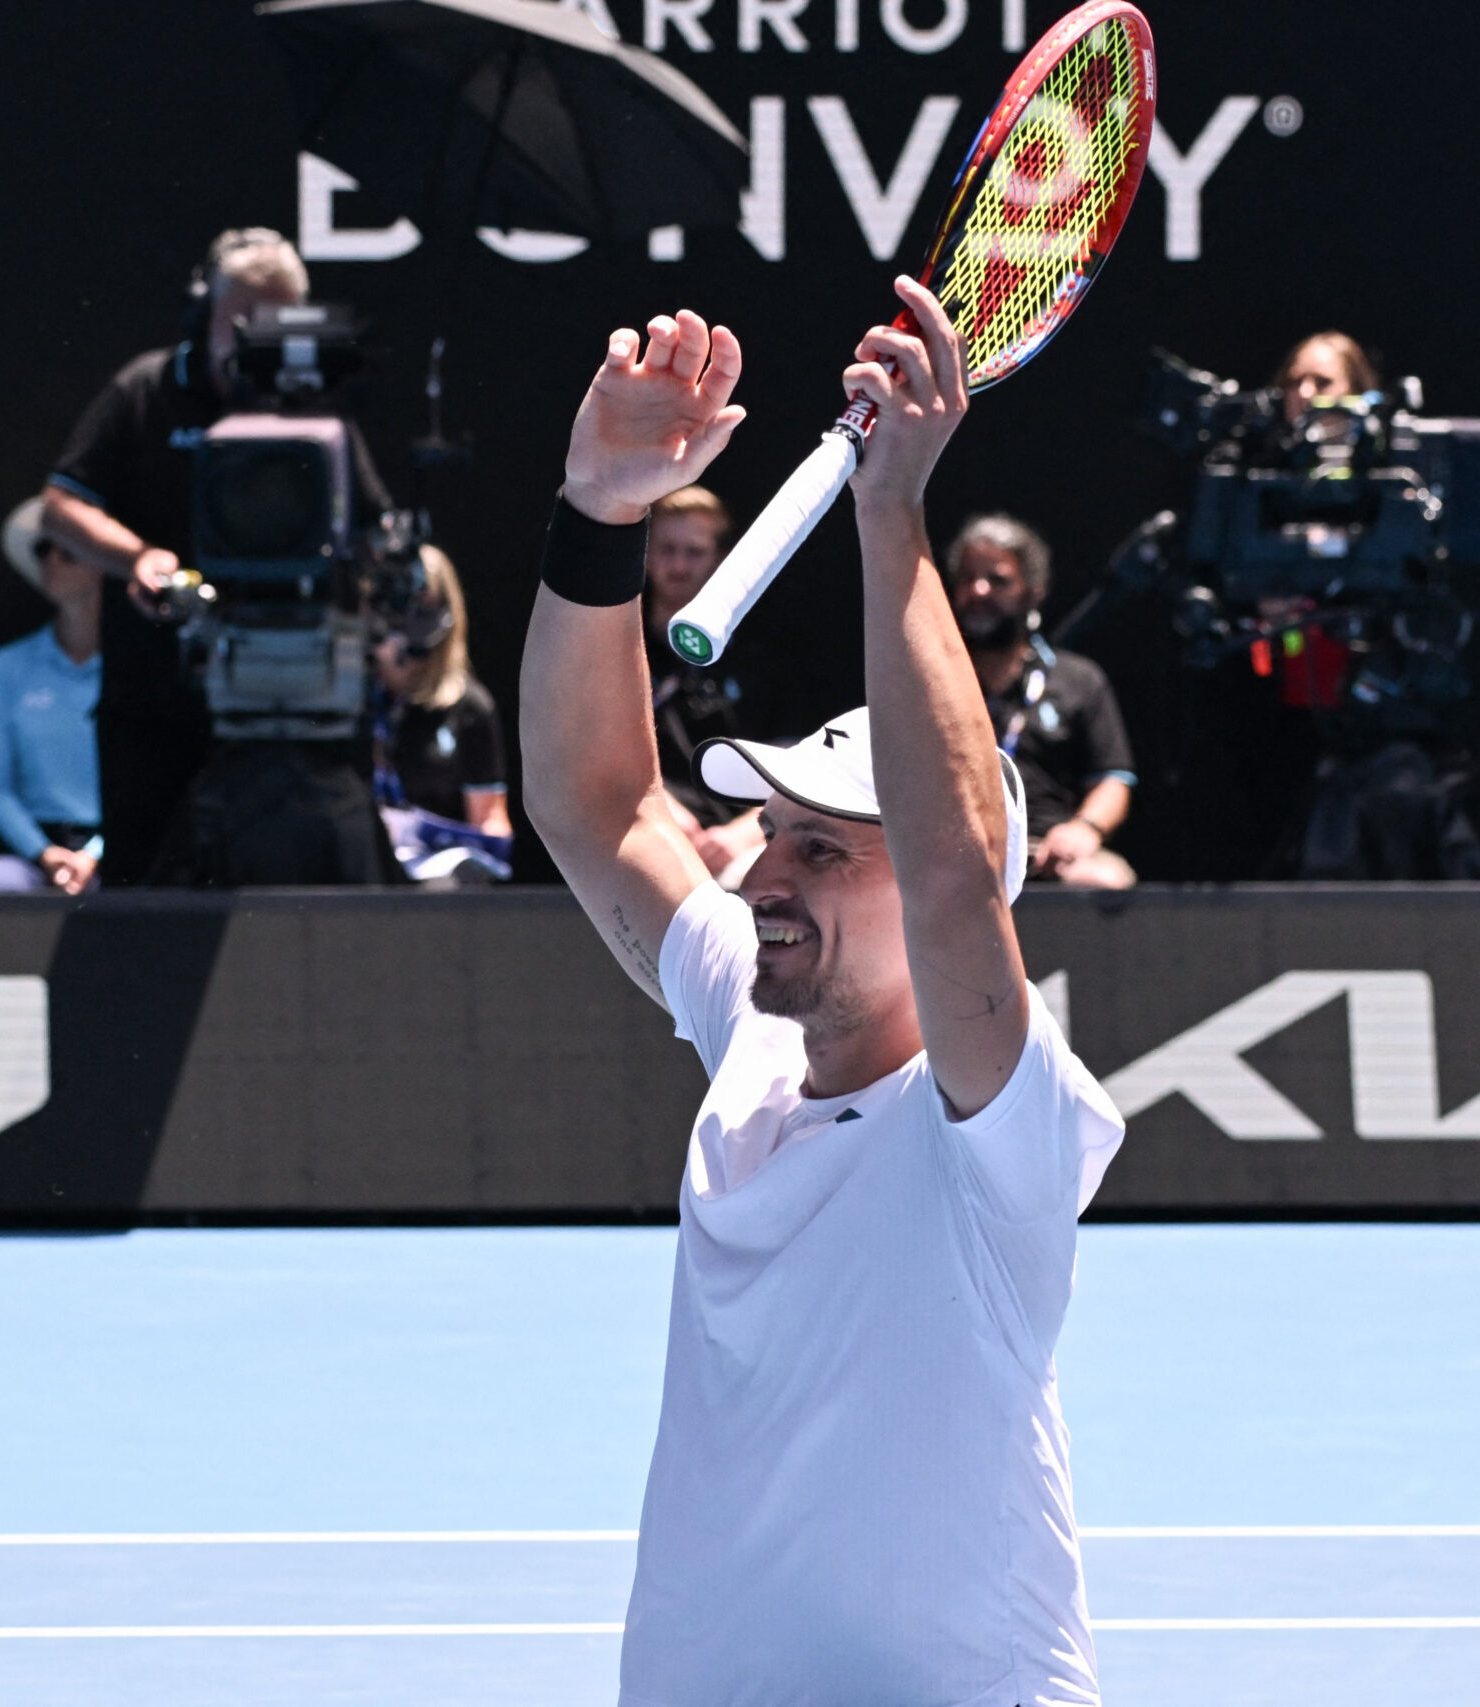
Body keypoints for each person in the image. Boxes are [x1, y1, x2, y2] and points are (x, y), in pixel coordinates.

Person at [520, 288, 1124, 1705]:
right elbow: (595, 802)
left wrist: (890, 508)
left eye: (823, 845)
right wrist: (596, 516)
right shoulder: (751, 1030)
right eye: (772, 829)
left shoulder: (995, 1127)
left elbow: (957, 871)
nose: (768, 871)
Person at [36, 228, 317, 883]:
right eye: (241, 318)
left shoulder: (312, 410)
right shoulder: (144, 389)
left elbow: (364, 526)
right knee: (145, 898)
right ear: (204, 315)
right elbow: (60, 508)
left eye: (274, 321)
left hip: (277, 705)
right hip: (151, 699)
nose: (254, 336)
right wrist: (138, 558)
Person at [947, 513, 1139, 889]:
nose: (979, 590)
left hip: (1045, 853)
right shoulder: (928, 680)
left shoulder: (1078, 680)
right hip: (948, 855)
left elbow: (1112, 780)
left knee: (1106, 881)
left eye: (998, 580)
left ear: (1033, 590)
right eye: (968, 578)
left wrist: (1083, 830)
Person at [641, 485, 776, 884]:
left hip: (745, 849)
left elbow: (803, 766)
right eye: (667, 549)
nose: (679, 566)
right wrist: (660, 814)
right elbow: (591, 759)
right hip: (645, 839)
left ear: (718, 559)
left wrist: (739, 836)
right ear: (646, 556)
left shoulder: (759, 663)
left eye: (694, 552)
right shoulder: (614, 656)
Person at [0, 498, 105, 893]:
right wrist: (43, 853)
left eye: (70, 550)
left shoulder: (137, 670)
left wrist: (95, 854)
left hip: (121, 853)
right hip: (32, 854)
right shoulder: (6, 667)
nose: (52, 560)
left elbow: (152, 781)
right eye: (44, 549)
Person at [372, 544, 513, 884]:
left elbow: (491, 820)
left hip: (434, 878)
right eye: (396, 607)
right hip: (363, 865)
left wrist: (487, 848)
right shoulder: (349, 696)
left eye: (420, 607)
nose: (404, 625)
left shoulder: (469, 707)